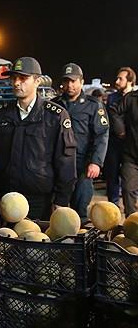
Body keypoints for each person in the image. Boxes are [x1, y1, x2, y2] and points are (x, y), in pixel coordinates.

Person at [0, 57, 77, 220]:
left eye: (23, 78)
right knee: (5, 242)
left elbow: (66, 161)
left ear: (37, 81)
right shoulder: (2, 114)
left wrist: (62, 200)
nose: (16, 83)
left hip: (39, 201)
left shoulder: (55, 116)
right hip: (7, 199)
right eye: (13, 78)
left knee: (35, 242)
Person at [52, 63, 109, 224]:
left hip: (83, 166)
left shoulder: (94, 106)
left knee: (80, 213)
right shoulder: (54, 105)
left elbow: (101, 135)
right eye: (66, 81)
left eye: (74, 81)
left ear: (81, 82)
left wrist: (96, 162)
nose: (70, 85)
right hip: (59, 166)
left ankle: (78, 247)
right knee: (58, 213)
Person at [104, 67, 136, 205]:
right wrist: (120, 130)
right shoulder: (112, 98)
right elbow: (110, 116)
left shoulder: (133, 98)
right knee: (112, 174)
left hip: (132, 143)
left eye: (120, 78)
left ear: (130, 81)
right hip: (116, 142)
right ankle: (114, 205)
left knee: (129, 179)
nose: (116, 81)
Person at [115, 89, 138, 215]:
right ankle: (132, 227)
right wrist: (120, 129)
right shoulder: (131, 97)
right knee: (128, 190)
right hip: (131, 156)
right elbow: (113, 111)